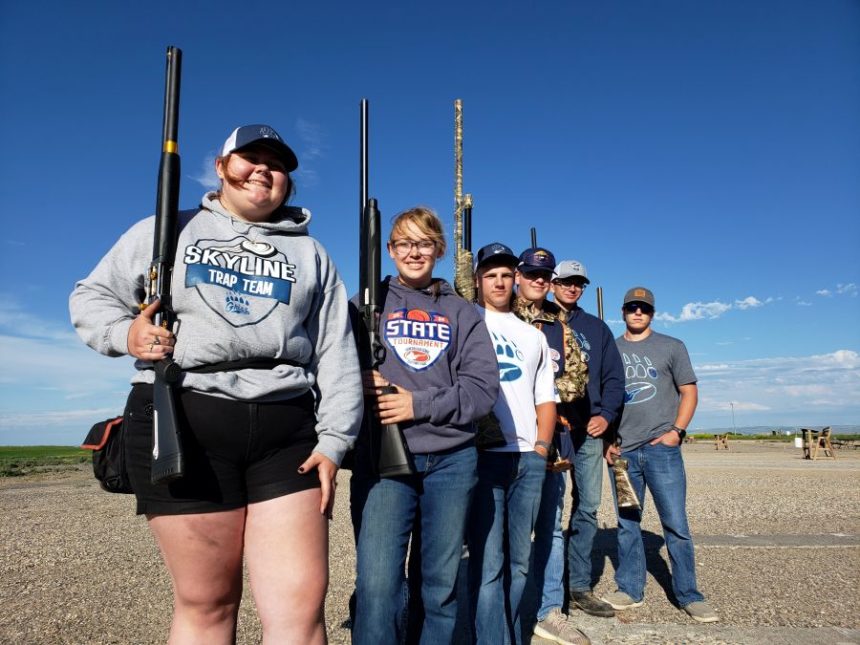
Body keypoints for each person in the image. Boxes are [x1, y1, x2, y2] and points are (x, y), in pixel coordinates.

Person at [70, 124, 363, 643]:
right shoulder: (165, 231)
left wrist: (336, 441)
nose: (264, 170)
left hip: (286, 430)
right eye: (250, 157)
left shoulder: (312, 255)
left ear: (289, 183)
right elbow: (90, 298)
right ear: (222, 167)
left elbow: (337, 352)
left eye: (277, 164)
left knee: (300, 609)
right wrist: (128, 333)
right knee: (208, 603)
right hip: (185, 421)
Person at [350, 208, 499, 645]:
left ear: (439, 249)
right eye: (403, 243)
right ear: (390, 249)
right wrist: (353, 376)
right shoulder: (365, 303)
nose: (414, 252)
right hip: (383, 461)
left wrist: (418, 404)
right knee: (377, 586)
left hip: (453, 462)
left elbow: (481, 389)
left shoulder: (463, 312)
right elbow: (328, 365)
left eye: (424, 243)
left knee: (439, 585)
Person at [604, 287, 718, 623]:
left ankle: (688, 594)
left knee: (676, 524)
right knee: (627, 522)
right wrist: (609, 441)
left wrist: (676, 433)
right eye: (632, 308)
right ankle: (630, 589)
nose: (638, 313)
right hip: (624, 455)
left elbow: (689, 392)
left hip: (661, 453)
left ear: (652, 313)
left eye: (644, 308)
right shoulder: (611, 349)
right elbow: (604, 398)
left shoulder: (672, 347)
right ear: (623, 311)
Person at [467, 242, 557, 645]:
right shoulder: (465, 320)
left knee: (519, 562)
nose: (500, 281)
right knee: (488, 563)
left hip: (526, 457)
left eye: (506, 274)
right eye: (491, 275)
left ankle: (511, 636)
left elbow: (545, 398)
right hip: (483, 456)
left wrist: (541, 447)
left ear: (516, 279)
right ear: (477, 280)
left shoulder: (532, 336)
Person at [511, 248, 591, 645]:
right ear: (518, 275)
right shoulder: (496, 314)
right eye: (531, 274)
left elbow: (578, 379)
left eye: (545, 275)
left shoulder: (561, 326)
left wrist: (543, 395)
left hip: (550, 445)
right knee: (497, 532)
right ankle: (498, 611)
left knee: (550, 530)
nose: (539, 281)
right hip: (502, 440)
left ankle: (549, 612)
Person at [550, 259, 624, 619]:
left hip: (589, 432)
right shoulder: (536, 320)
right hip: (551, 428)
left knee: (588, 507)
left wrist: (605, 415)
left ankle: (578, 586)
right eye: (566, 282)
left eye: (578, 283)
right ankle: (548, 589)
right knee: (548, 510)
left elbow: (614, 379)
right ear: (553, 283)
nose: (572, 288)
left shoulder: (596, 329)